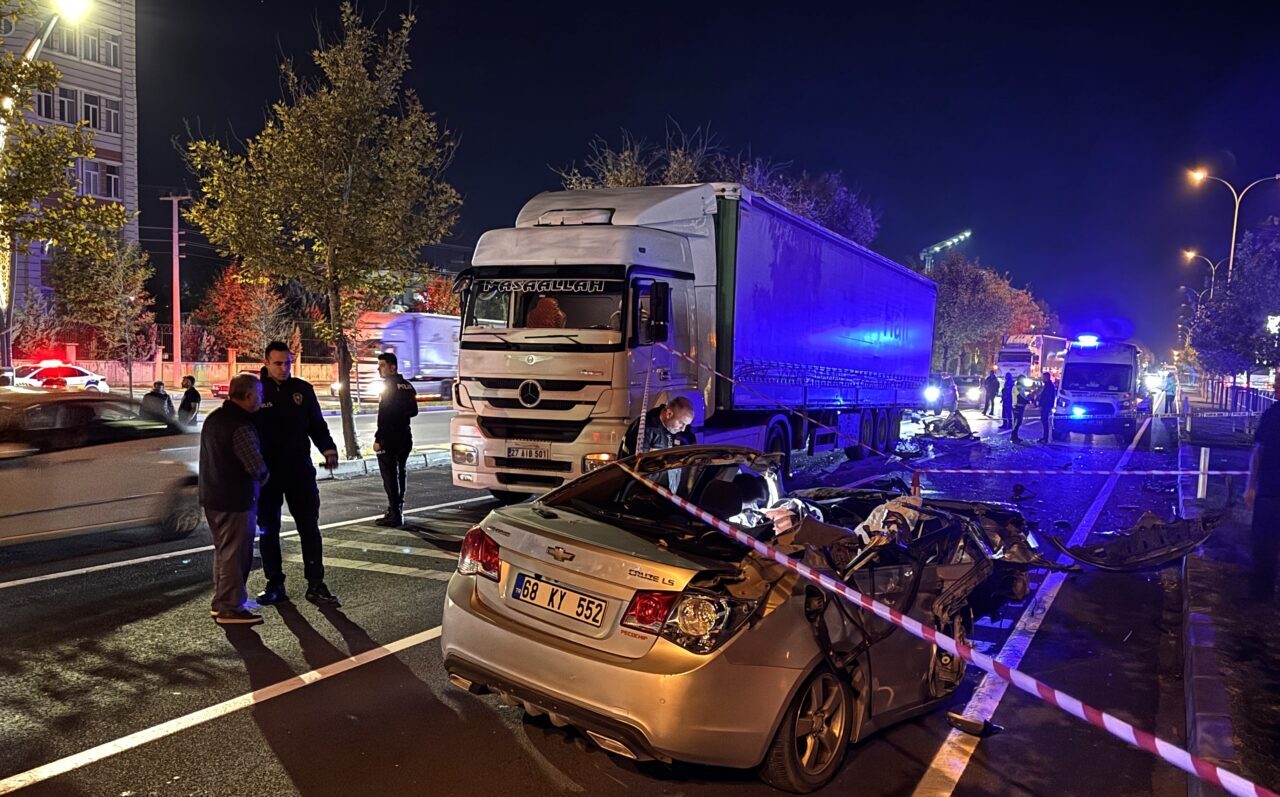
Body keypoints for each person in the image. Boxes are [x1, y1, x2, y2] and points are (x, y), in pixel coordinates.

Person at [254, 341, 341, 607]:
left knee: (309, 528)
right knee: (268, 530)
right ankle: (274, 583)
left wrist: (328, 449)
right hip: (267, 475)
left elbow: (317, 424)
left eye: (287, 363)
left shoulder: (302, 390)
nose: (283, 368)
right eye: (278, 363)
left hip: (299, 471)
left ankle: (316, 583)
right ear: (267, 362)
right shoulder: (256, 391)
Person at [199, 374, 269, 625]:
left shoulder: (215, 418)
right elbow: (255, 466)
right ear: (249, 395)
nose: (261, 399)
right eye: (259, 394)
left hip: (212, 496)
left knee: (223, 552)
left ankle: (222, 601)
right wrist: (266, 476)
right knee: (236, 555)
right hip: (235, 499)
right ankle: (231, 606)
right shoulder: (240, 425)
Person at [1244, 374, 1280, 601]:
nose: (1275, 385)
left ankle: (1263, 594)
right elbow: (1259, 451)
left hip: (1269, 490)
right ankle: (1262, 593)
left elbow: (1259, 451)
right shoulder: (1272, 414)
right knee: (1264, 545)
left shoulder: (1272, 415)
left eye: (1279, 382)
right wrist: (1251, 486)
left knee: (1265, 544)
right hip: (1269, 490)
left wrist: (1251, 485)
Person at [373, 352, 418, 527]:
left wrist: (378, 439)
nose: (379, 369)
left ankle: (395, 513)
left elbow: (383, 415)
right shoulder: (407, 386)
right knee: (401, 473)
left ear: (393, 367)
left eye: (382, 365)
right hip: (405, 435)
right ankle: (396, 509)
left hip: (390, 438)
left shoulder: (388, 386)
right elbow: (414, 411)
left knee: (390, 475)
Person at [619, 397, 695, 458]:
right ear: (668, 414)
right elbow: (639, 466)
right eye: (681, 423)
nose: (683, 429)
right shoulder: (646, 430)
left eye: (686, 425)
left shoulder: (678, 427)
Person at [1038, 373, 1058, 443]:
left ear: (1047, 377)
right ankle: (1044, 437)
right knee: (1044, 422)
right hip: (1045, 405)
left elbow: (1047, 397)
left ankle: (1045, 438)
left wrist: (1045, 404)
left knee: (1045, 422)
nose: (1042, 378)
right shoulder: (1048, 385)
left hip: (1046, 406)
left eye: (1043, 377)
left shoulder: (1049, 386)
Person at [1010, 378, 1031, 443]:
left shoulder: (1019, 387)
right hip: (1017, 406)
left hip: (1019, 406)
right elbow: (1022, 396)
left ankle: (1015, 436)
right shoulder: (1018, 387)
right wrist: (1028, 400)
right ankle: (1013, 437)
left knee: (1018, 422)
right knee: (1017, 422)